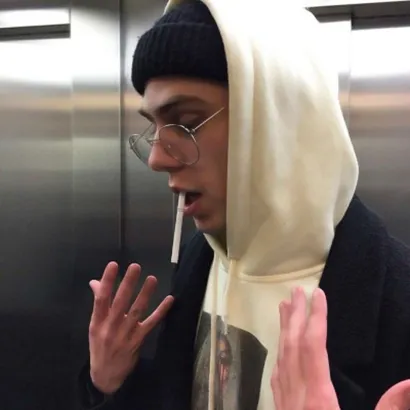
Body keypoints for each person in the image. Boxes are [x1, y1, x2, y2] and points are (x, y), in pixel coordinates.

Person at [77, 0, 410, 409]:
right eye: (154, 126)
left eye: (186, 122)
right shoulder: (202, 257)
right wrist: (111, 385)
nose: (157, 158)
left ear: (277, 118)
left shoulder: (396, 303)